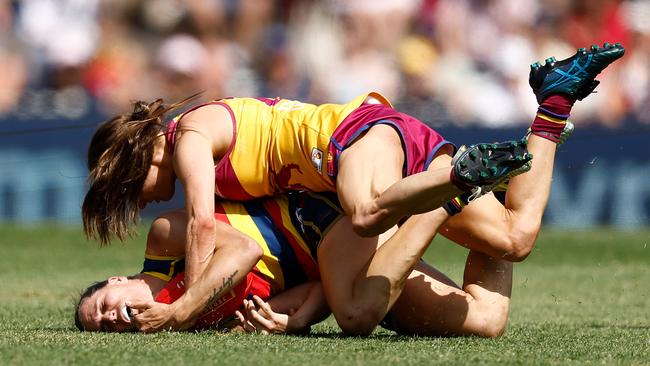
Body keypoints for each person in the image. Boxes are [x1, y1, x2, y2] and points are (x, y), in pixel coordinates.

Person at [81, 43, 625, 334]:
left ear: (139, 159)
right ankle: (554, 103)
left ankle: (455, 180)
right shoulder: (198, 183)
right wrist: (288, 322)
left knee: (365, 219)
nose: (149, 202)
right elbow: (284, 264)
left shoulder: (188, 139)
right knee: (511, 243)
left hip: (352, 140)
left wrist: (183, 312)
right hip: (366, 159)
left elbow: (210, 229)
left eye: (135, 192)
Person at [76, 191, 513, 338]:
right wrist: (294, 320)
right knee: (488, 318)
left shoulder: (165, 238)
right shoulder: (203, 321)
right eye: (107, 327)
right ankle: (500, 191)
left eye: (102, 306)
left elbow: (244, 250)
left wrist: (181, 307)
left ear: (116, 280)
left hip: (326, 222)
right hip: (341, 266)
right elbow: (315, 291)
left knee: (359, 315)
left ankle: (441, 200)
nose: (113, 317)